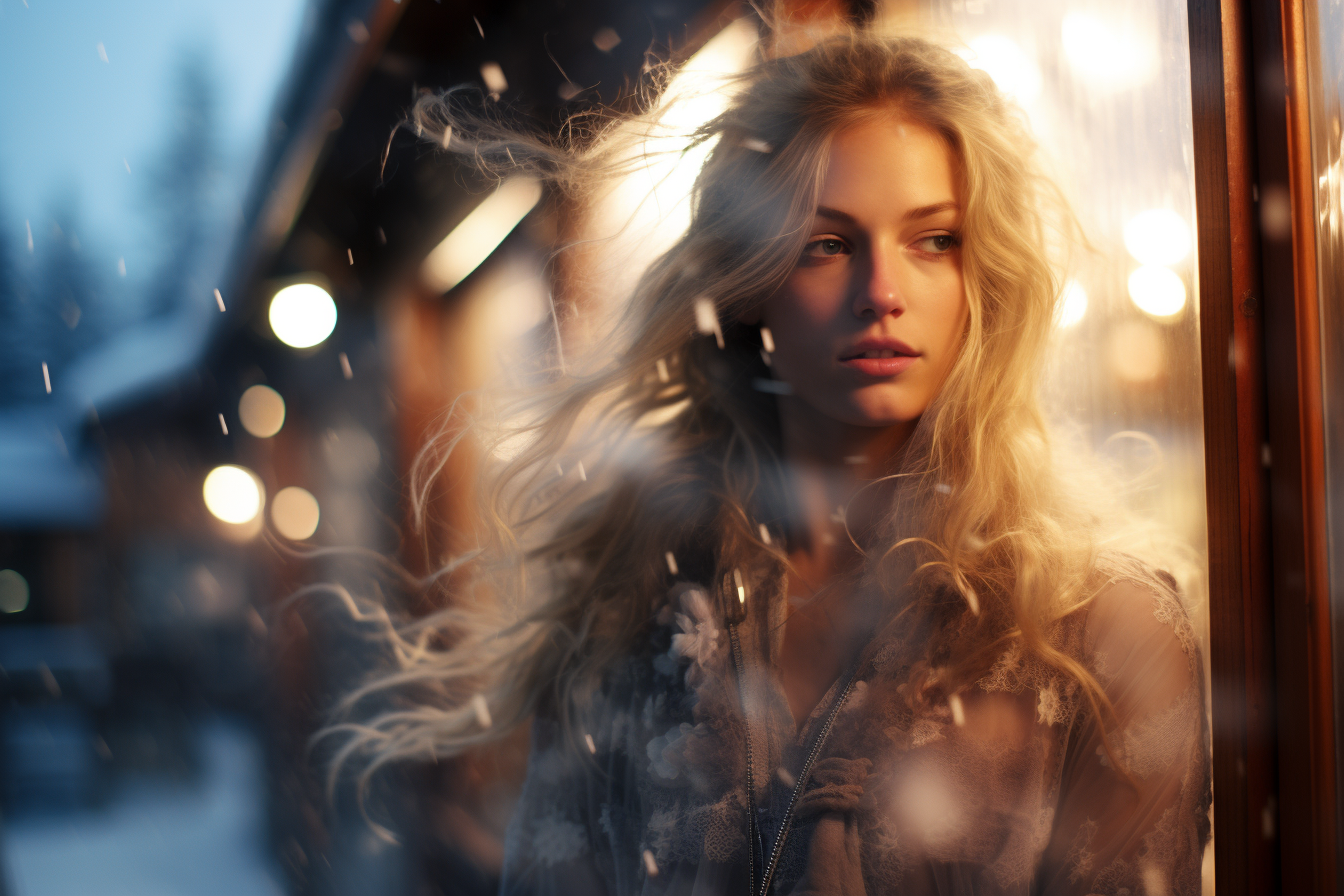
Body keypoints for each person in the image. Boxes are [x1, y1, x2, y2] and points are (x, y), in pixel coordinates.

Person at [332, 30, 1211, 896]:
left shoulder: (1097, 630)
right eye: (827, 244)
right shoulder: (631, 601)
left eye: (933, 240)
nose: (883, 292)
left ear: (982, 277)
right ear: (749, 287)